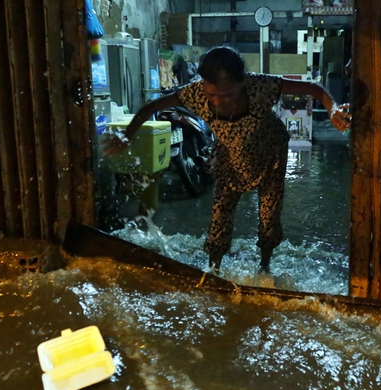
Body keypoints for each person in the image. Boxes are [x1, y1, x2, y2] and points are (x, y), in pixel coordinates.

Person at [103, 46, 352, 274]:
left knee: (269, 215)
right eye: (212, 95)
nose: (220, 102)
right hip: (231, 157)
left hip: (270, 155)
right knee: (220, 215)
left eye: (228, 94)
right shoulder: (195, 94)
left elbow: (313, 89)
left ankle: (264, 266)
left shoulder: (260, 86)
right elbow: (151, 107)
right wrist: (127, 135)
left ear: (243, 81)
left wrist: (332, 109)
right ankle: (214, 268)